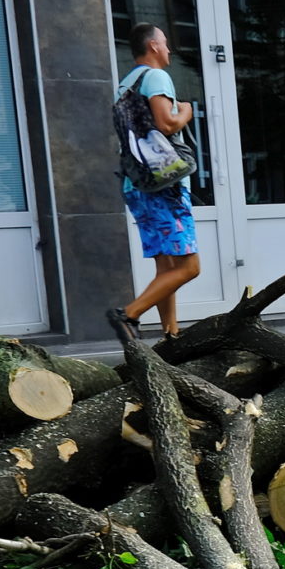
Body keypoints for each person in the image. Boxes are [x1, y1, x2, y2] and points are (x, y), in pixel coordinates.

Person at [115, 23, 199, 338]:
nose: (169, 49)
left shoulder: (125, 85)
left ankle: (171, 334)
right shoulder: (157, 77)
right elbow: (166, 123)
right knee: (189, 267)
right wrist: (187, 112)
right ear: (152, 46)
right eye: (164, 43)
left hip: (136, 184)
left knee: (166, 268)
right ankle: (129, 314)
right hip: (165, 186)